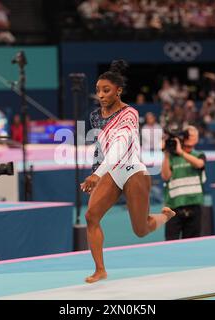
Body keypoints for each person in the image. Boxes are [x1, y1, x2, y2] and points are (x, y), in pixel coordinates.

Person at [81, 60, 176, 283]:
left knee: (140, 230)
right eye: (98, 91)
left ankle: (165, 215)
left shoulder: (130, 114)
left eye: (106, 90)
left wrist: (97, 175)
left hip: (133, 170)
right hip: (111, 172)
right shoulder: (95, 116)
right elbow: (101, 149)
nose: (101, 95)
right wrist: (97, 173)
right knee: (90, 216)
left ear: (119, 91)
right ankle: (100, 270)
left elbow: (119, 148)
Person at [161, 126, 206, 240]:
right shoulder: (171, 157)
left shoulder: (199, 154)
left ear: (196, 139)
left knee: (192, 245)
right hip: (173, 208)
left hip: (194, 205)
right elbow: (165, 176)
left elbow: (199, 164)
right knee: (171, 244)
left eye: (192, 135)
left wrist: (181, 152)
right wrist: (166, 154)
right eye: (187, 134)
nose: (189, 137)